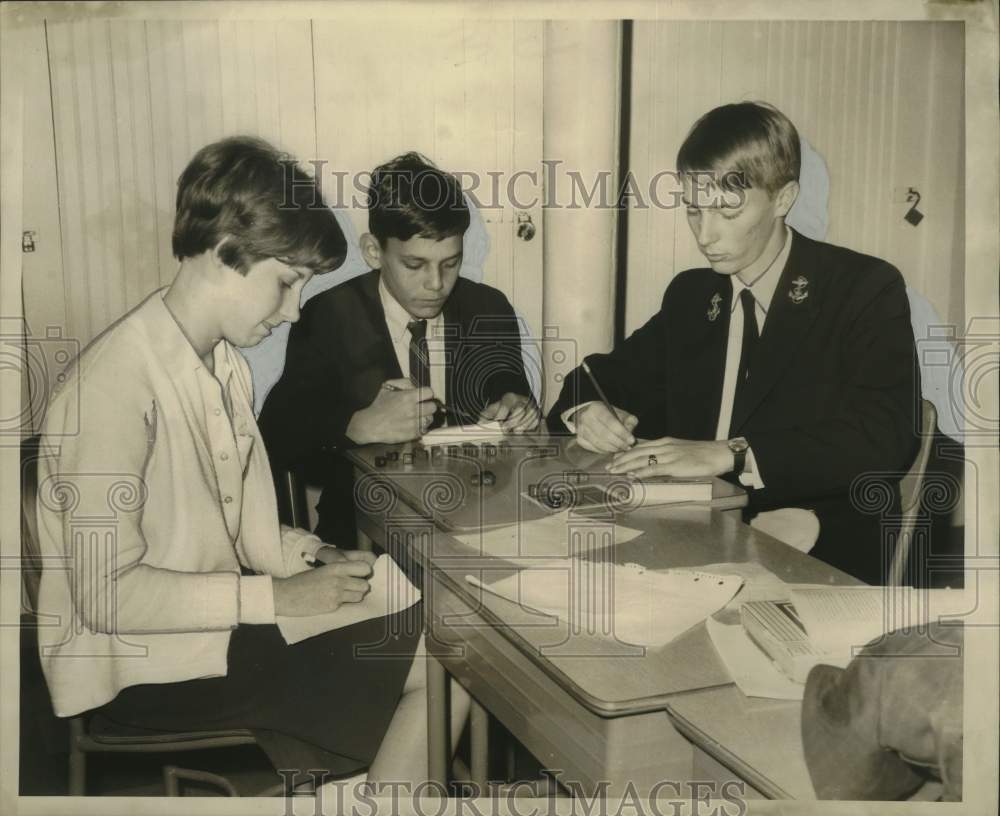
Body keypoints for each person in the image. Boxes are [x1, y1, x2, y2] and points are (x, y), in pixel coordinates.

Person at [35, 136, 467, 789]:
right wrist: (277, 595)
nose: (294, 310)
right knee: (448, 657)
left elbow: (223, 530)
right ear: (222, 254)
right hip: (139, 667)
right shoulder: (113, 385)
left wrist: (310, 557)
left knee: (450, 631)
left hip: (206, 633)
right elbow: (106, 595)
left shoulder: (220, 363)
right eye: (287, 283)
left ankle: (381, 790)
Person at [547, 102, 919, 585]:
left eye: (727, 210)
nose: (705, 234)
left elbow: (886, 434)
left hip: (814, 545)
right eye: (694, 210)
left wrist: (735, 453)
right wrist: (589, 410)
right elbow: (596, 378)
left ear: (783, 198)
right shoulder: (691, 295)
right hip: (690, 539)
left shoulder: (863, 288)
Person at [260, 152, 538, 544]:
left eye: (450, 263)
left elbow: (505, 378)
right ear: (374, 251)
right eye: (414, 265)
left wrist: (515, 402)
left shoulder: (486, 307)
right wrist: (354, 425)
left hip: (478, 525)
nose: (436, 284)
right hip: (364, 534)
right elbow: (277, 431)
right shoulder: (329, 316)